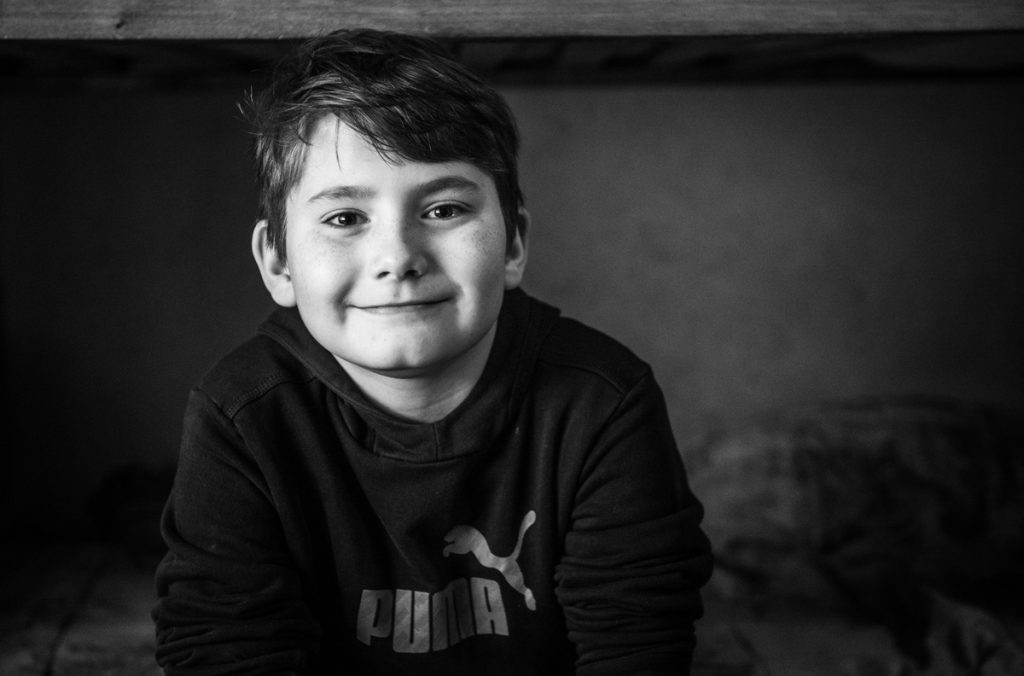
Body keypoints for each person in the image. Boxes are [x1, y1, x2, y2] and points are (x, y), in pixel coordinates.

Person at [153, 28, 712, 675]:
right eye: (345, 218)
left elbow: (637, 644)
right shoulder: (242, 414)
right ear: (278, 263)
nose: (398, 258)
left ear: (513, 244)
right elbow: (226, 648)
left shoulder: (601, 401)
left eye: (444, 209)